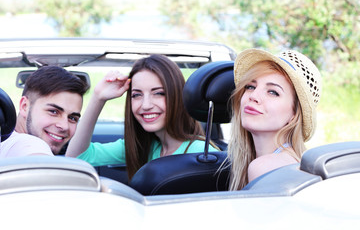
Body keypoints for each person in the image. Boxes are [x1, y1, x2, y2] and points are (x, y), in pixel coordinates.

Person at [66, 54, 218, 180]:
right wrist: (98, 98)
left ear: (177, 96)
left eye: (158, 93)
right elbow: (76, 158)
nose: (145, 105)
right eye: (137, 95)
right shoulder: (145, 146)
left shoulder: (201, 153)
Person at [226, 48, 322, 190]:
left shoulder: (264, 167)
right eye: (250, 87)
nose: (253, 96)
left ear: (294, 114)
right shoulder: (291, 160)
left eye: (273, 92)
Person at [0, 66, 89, 158]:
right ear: (24, 106)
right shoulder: (33, 146)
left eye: (72, 118)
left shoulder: (6, 142)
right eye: (54, 112)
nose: (64, 126)